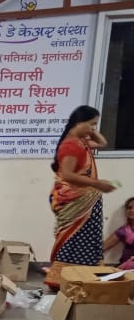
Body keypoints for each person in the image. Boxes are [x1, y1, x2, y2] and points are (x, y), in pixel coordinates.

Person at [49, 106, 116, 269]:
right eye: (91, 124)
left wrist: (89, 129)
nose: (93, 129)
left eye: (95, 125)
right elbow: (67, 175)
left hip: (86, 199)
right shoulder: (71, 145)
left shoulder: (81, 142)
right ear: (78, 122)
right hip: (75, 200)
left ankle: (83, 274)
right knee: (73, 240)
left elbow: (102, 143)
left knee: (86, 240)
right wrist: (97, 183)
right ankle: (64, 275)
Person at [104, 197, 134, 270]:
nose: (132, 210)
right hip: (125, 268)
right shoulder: (124, 230)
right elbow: (103, 246)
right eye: (129, 208)